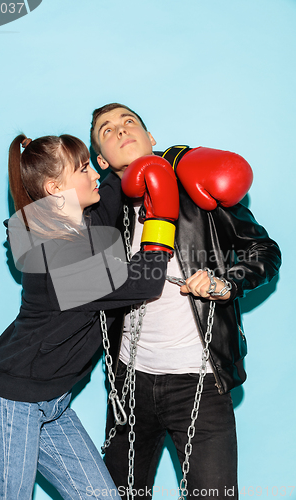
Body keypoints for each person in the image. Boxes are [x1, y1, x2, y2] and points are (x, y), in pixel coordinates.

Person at [89, 103, 282, 499]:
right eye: (107, 130)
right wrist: (30, 219)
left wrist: (226, 282)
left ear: (152, 138)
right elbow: (43, 255)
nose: (121, 130)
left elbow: (264, 250)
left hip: (201, 382)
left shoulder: (198, 192)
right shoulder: (104, 209)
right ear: (101, 160)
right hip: (129, 383)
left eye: (129, 122)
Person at [0, 133, 178, 500]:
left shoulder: (82, 220)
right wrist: (163, 217)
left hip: (53, 402)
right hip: (11, 405)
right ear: (55, 188)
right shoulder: (59, 260)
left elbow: (114, 184)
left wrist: (156, 156)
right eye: (83, 169)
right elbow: (146, 281)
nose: (93, 174)